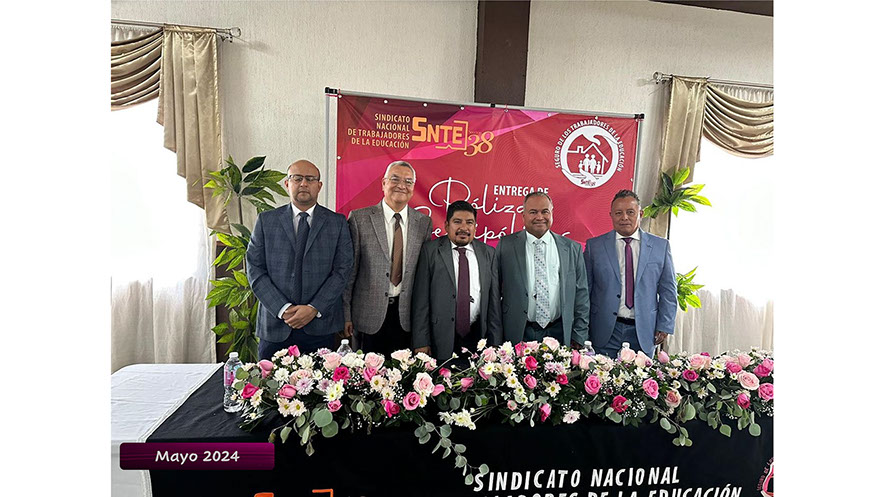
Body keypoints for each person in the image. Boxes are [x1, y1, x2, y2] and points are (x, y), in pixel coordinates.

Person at [246, 160, 353, 360]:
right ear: (287, 184)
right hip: (275, 325)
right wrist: (283, 308)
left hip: (320, 327)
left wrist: (314, 308)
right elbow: (255, 269)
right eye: (297, 178)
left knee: (320, 381)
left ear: (319, 186)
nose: (304, 183)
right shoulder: (266, 221)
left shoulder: (337, 223)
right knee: (268, 380)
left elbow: (343, 271)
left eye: (310, 179)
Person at [343, 160, 433, 355]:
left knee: (403, 373)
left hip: (406, 318)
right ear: (384, 183)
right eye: (395, 179)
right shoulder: (359, 219)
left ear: (413, 188)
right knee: (366, 372)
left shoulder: (423, 223)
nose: (402, 185)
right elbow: (350, 273)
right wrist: (345, 315)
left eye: (408, 182)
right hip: (367, 318)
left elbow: (423, 278)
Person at [583, 189, 677, 358]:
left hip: (644, 331)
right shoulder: (594, 247)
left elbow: (668, 291)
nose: (624, 217)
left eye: (630, 212)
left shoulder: (660, 247)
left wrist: (665, 325)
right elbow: (585, 291)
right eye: (618, 213)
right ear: (611, 215)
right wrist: (582, 328)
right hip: (604, 331)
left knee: (641, 375)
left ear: (640, 214)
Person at [496, 192, 589, 348]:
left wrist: (579, 336)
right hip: (519, 333)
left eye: (545, 211)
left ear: (552, 214)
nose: (539, 217)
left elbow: (582, 296)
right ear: (523, 216)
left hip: (560, 333)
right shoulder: (506, 246)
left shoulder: (572, 248)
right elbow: (495, 293)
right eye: (533, 212)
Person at [411, 201, 502, 361]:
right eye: (457, 222)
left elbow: (494, 302)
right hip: (440, 337)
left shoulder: (488, 253)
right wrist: (421, 341)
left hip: (478, 337)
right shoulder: (430, 251)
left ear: (475, 227)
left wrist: (495, 342)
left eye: (469, 222)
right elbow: (421, 300)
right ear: (447, 225)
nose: (464, 228)